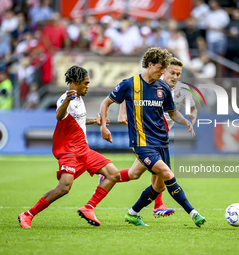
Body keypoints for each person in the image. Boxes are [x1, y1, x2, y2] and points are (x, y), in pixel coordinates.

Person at [99, 47, 206, 227]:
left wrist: (186, 122)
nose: (164, 72)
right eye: (162, 68)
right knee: (167, 173)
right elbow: (107, 101)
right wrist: (104, 125)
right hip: (142, 143)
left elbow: (172, 113)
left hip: (162, 143)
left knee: (158, 186)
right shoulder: (130, 84)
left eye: (169, 70)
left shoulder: (163, 87)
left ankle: (132, 213)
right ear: (150, 65)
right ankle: (193, 213)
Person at [18, 66, 120, 228]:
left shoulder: (79, 98)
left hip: (83, 149)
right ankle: (28, 214)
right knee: (64, 187)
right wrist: (66, 100)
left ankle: (89, 207)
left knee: (113, 174)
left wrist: (94, 120)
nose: (88, 86)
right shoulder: (65, 99)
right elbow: (59, 116)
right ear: (75, 82)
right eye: (85, 83)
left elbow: (76, 120)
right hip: (69, 151)